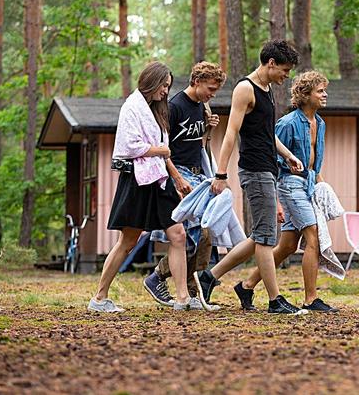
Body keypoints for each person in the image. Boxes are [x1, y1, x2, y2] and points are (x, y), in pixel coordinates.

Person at [194, 40, 307, 315]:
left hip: (268, 166)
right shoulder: (246, 89)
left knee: (260, 236)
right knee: (268, 239)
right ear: (270, 63)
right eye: (284, 69)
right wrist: (220, 173)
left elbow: (267, 135)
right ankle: (275, 300)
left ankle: (210, 277)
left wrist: (288, 155)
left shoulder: (267, 89)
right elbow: (231, 132)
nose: (286, 75)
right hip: (255, 170)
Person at [88, 62, 196, 312]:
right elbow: (129, 146)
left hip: (160, 180)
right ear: (152, 81)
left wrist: (178, 178)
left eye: (169, 87)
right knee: (128, 241)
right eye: (164, 86)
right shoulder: (132, 107)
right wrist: (160, 150)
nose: (166, 92)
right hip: (137, 180)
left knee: (177, 234)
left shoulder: (156, 110)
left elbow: (163, 150)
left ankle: (182, 298)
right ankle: (99, 298)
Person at [237, 71, 338, 312]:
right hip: (289, 185)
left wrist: (321, 187)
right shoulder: (288, 123)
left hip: (308, 184)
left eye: (325, 90)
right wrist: (277, 200)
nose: (325, 94)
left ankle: (247, 286)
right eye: (320, 91)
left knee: (288, 246)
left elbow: (314, 163)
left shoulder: (320, 123)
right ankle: (311, 299)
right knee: (312, 235)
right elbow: (272, 157)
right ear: (305, 95)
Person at [142, 61, 227, 311]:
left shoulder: (202, 106)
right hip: (180, 173)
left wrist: (208, 129)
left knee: (206, 233)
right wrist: (177, 178)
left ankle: (191, 291)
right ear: (196, 81)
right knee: (192, 234)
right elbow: (164, 147)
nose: (213, 94)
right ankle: (159, 277)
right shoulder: (175, 106)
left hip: (199, 174)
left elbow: (198, 145)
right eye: (210, 88)